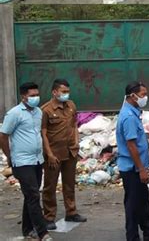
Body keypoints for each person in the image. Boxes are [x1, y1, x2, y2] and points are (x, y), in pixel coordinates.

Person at [116, 82, 149, 241]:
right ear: (133, 96)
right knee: (133, 205)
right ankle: (132, 237)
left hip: (136, 167)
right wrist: (141, 169)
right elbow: (131, 145)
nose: (145, 97)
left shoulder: (132, 112)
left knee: (142, 202)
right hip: (133, 168)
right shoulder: (129, 117)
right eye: (143, 94)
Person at [0, 83, 52, 241]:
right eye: (32, 95)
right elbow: (3, 135)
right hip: (21, 161)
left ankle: (27, 228)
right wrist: (9, 156)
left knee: (31, 195)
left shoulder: (38, 112)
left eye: (37, 94)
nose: (36, 97)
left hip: (37, 159)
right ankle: (42, 233)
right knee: (34, 195)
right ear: (23, 96)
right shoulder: (14, 113)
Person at [41, 79, 86, 231]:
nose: (66, 94)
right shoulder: (45, 110)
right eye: (63, 91)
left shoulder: (71, 106)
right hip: (54, 154)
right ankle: (48, 217)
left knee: (69, 184)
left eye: (67, 91)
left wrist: (76, 142)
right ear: (54, 92)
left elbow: (74, 125)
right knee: (50, 186)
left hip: (70, 152)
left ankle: (71, 212)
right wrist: (49, 154)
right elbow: (43, 133)